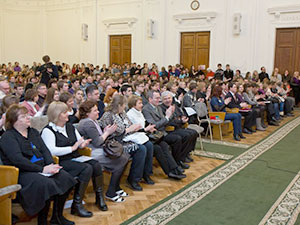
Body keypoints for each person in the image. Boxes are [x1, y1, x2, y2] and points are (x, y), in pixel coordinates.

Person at [0, 104, 76, 225]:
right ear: (14, 120)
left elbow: (45, 150)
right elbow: (18, 160)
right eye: (24, 116)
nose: (28, 117)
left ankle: (57, 216)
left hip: (42, 168)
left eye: (27, 115)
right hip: (22, 172)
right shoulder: (7, 137)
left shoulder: (33, 132)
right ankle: (42, 221)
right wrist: (42, 169)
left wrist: (51, 165)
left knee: (65, 178)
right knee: (45, 184)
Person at [41, 101, 108, 217]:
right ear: (57, 115)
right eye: (64, 112)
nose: (68, 114)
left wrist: (83, 144)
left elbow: (79, 141)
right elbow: (51, 151)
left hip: (74, 157)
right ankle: (77, 204)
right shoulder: (48, 131)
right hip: (60, 161)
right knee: (86, 168)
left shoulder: (69, 126)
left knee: (95, 164)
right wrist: (72, 148)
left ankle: (99, 197)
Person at [77, 100, 130, 202]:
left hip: (97, 148)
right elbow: (97, 142)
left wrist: (105, 132)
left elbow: (99, 138)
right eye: (95, 110)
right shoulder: (87, 123)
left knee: (124, 156)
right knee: (121, 159)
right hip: (90, 151)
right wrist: (107, 133)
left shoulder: (93, 120)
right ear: (87, 113)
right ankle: (111, 191)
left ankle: (116, 187)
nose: (98, 112)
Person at [99, 94, 150, 191]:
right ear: (119, 105)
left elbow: (129, 125)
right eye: (123, 105)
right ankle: (134, 179)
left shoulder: (122, 113)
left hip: (126, 138)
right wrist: (127, 130)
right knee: (141, 149)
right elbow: (111, 134)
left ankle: (139, 176)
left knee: (147, 145)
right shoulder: (108, 115)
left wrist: (132, 128)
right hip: (114, 143)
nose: (124, 107)